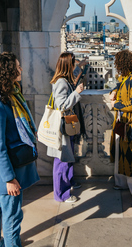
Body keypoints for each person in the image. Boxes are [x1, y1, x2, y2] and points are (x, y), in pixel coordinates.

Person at [0, 52, 40, 247]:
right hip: (9, 171)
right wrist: (9, 179)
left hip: (9, 168)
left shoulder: (12, 97)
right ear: (7, 73)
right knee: (13, 216)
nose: (20, 69)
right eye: (17, 67)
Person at [109, 50, 132, 208]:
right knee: (121, 154)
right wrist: (114, 91)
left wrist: (115, 104)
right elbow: (119, 86)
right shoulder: (125, 78)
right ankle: (122, 182)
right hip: (122, 123)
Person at [47, 52, 86, 203]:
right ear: (67, 65)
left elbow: (73, 77)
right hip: (63, 126)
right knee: (62, 160)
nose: (74, 65)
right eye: (73, 63)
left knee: (68, 156)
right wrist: (76, 93)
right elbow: (61, 105)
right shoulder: (61, 82)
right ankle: (61, 194)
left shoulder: (64, 79)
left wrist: (80, 66)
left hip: (68, 125)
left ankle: (69, 182)